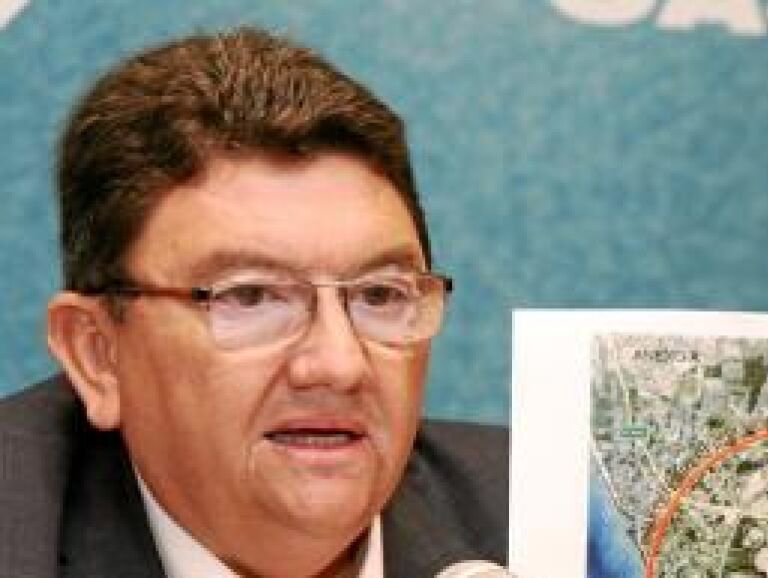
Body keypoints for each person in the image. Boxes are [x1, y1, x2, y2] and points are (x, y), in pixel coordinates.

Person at [0, 27, 507, 578]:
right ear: (97, 355)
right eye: (251, 297)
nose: (340, 365)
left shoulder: (551, 522)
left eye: (379, 295)